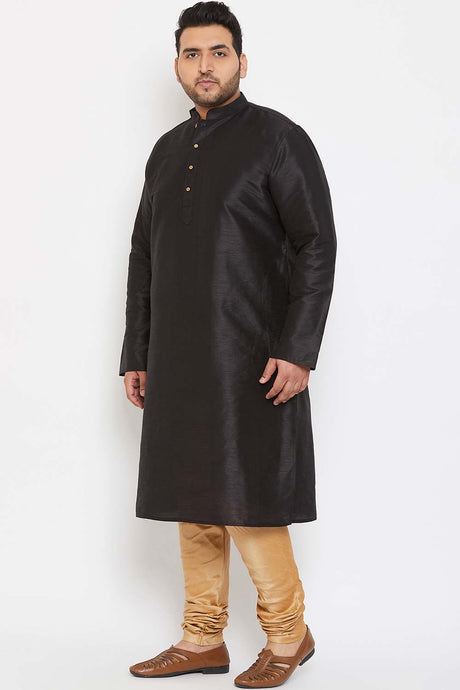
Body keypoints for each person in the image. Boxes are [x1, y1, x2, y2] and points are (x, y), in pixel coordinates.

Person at [119, 2, 337, 687]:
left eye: (218, 52)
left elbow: (316, 245)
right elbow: (143, 257)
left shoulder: (279, 139)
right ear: (178, 66)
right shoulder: (165, 151)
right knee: (193, 498)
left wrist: (298, 348)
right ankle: (201, 637)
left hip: (252, 359)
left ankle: (288, 635)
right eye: (192, 54)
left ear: (242, 61)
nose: (205, 65)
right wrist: (137, 352)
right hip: (177, 359)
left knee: (250, 499)